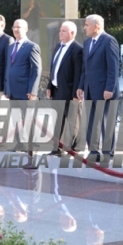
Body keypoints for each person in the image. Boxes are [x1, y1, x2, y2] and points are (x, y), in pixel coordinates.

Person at [76, 14, 120, 161]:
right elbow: (85, 67)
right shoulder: (88, 42)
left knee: (105, 122)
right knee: (91, 122)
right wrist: (81, 86)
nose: (84, 27)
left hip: (104, 91)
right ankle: (93, 152)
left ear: (96, 26)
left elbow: (113, 67)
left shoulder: (109, 41)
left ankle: (108, 153)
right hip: (89, 89)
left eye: (87, 25)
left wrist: (110, 88)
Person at [46, 21, 83, 156]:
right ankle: (56, 148)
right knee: (57, 119)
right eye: (60, 30)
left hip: (70, 91)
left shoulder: (77, 49)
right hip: (57, 89)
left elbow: (79, 72)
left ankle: (74, 148)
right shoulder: (58, 47)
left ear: (72, 33)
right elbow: (53, 67)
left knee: (73, 120)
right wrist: (50, 85)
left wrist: (76, 93)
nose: (60, 33)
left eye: (64, 31)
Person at [3, 19, 42, 100]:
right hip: (12, 92)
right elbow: (8, 68)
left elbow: (36, 69)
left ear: (26, 29)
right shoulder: (10, 47)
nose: (15, 29)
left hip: (25, 92)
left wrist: (33, 90)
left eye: (18, 27)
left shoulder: (32, 47)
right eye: (14, 27)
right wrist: (7, 89)